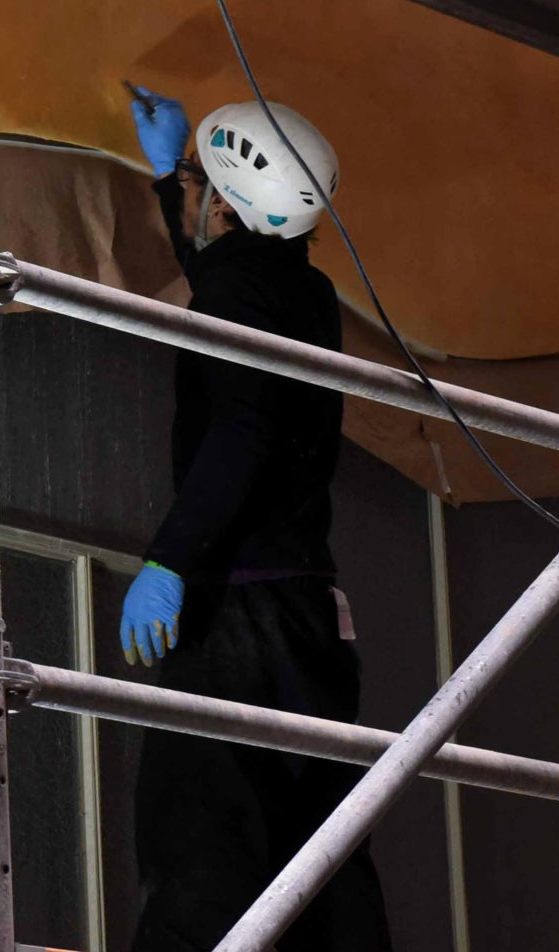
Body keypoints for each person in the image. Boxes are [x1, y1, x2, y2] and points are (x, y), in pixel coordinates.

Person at [120, 86, 391, 952]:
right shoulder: (302, 292)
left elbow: (241, 426)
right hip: (306, 610)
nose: (191, 194)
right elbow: (225, 275)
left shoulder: (242, 292)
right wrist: (170, 177)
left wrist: (171, 561)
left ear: (229, 203)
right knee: (323, 850)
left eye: (200, 182)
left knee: (201, 832)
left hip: (238, 610)